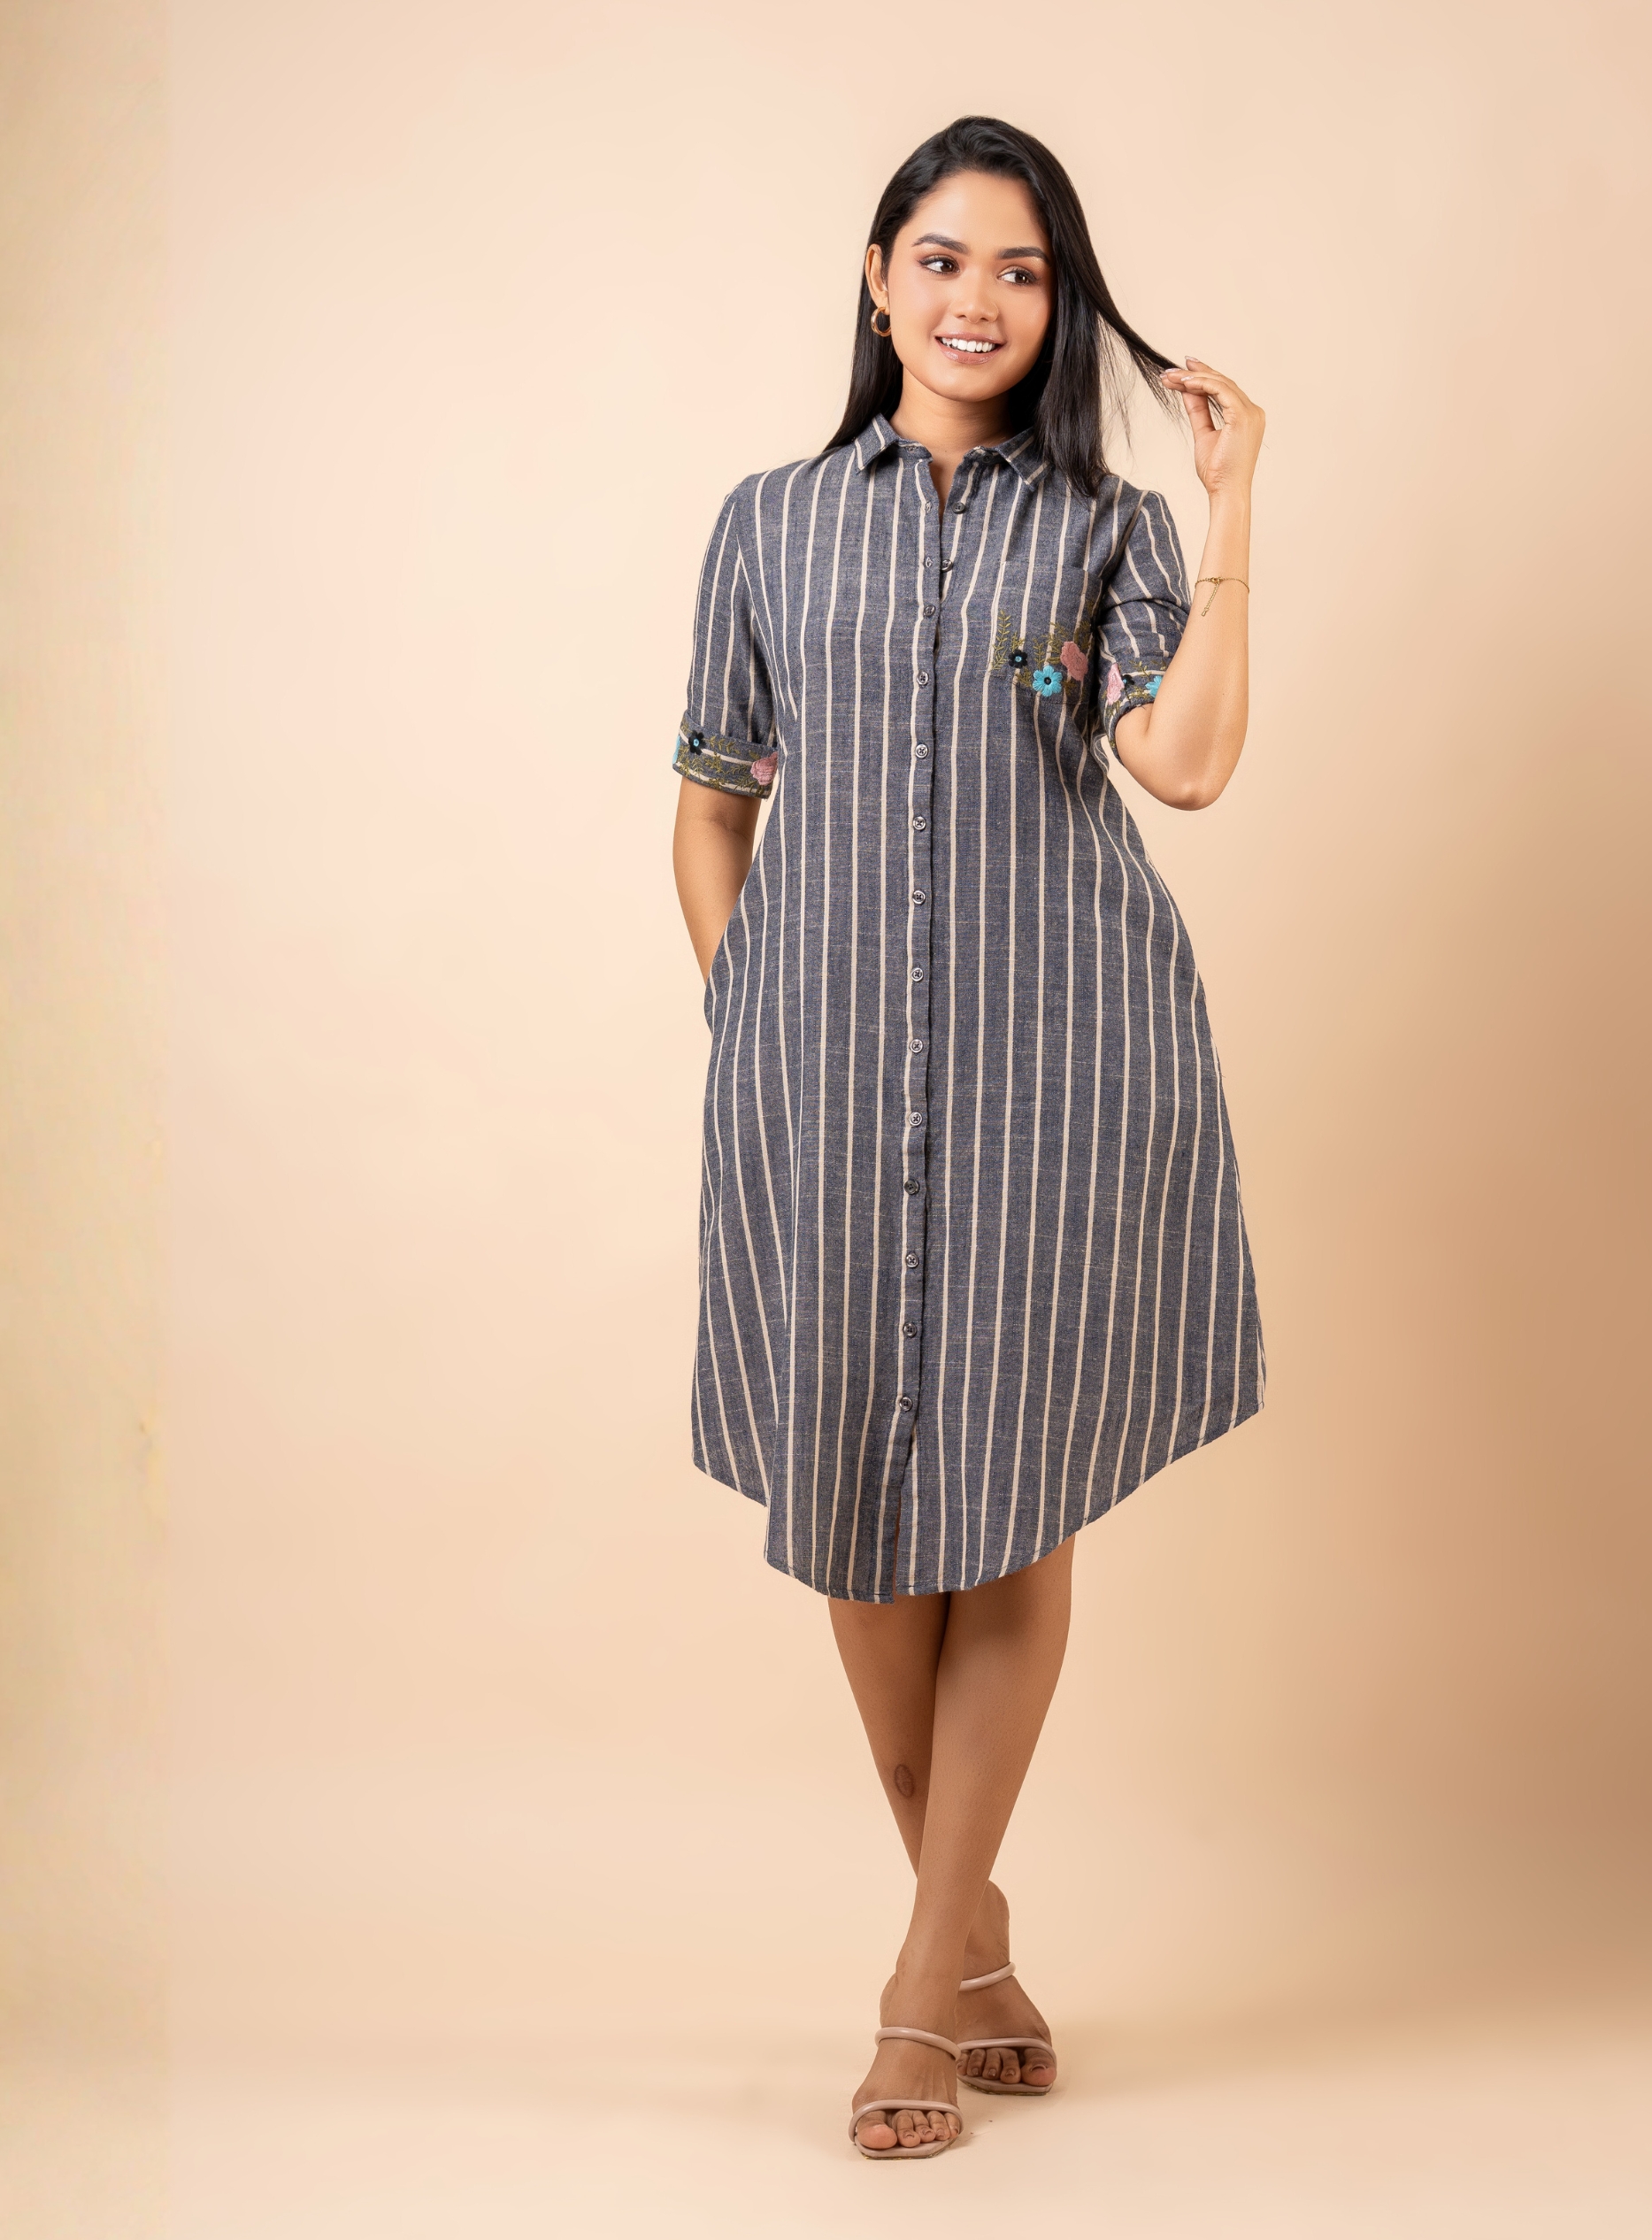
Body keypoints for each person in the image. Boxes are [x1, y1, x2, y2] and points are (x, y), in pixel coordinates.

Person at [669, 115, 1265, 2161]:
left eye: (1018, 269)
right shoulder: (767, 522)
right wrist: (745, 1013)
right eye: (940, 258)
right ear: (876, 277)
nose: (975, 299)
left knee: (1006, 1506)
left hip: (1056, 1079)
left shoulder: (1101, 530)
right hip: (816, 1077)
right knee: (851, 1501)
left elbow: (1183, 763)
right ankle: (980, 1936)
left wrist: (1230, 504)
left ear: (1056, 300)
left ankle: (920, 1993)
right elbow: (711, 797)